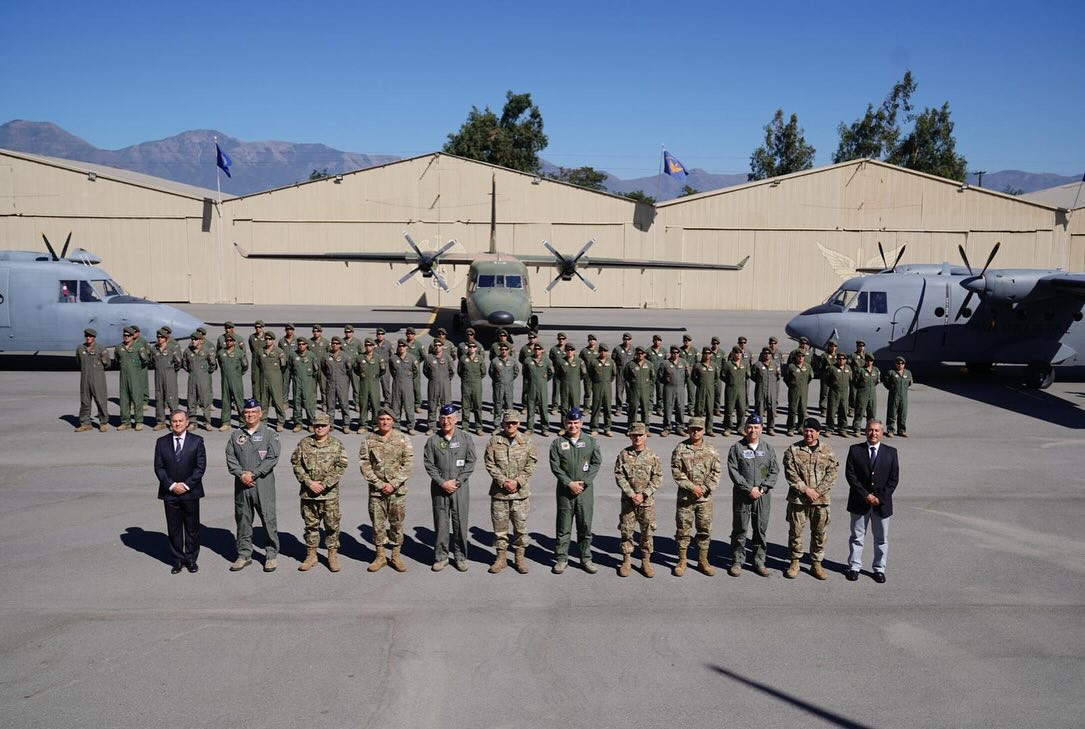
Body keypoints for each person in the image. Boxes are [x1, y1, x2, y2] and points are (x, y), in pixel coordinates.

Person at [225, 399, 281, 572]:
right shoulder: (236, 435)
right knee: (243, 519)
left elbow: (273, 457)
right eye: (247, 413)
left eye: (253, 412)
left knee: (267, 518)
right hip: (242, 484)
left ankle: (271, 555)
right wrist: (241, 474)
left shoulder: (269, 434)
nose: (249, 415)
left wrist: (254, 473)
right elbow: (230, 457)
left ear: (260, 414)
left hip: (262, 484)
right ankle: (244, 554)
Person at [291, 412, 349, 572]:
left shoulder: (336, 445)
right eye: (317, 425)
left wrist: (324, 483)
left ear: (329, 427)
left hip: (329, 494)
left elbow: (341, 466)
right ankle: (311, 555)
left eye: (323, 425)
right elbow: (296, 464)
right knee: (311, 526)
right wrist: (308, 482)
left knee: (331, 526)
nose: (320, 428)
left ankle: (332, 555)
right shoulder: (304, 443)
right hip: (308, 494)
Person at [781, 417, 838, 579]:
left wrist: (817, 492)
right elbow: (790, 474)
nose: (808, 434)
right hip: (798, 500)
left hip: (820, 501)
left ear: (818, 433)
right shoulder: (793, 450)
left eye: (812, 431)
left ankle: (816, 564)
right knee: (796, 532)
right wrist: (806, 490)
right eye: (806, 430)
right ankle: (794, 561)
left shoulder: (827, 451)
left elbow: (832, 474)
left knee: (819, 533)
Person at [359, 407, 414, 572]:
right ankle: (380, 556)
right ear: (378, 421)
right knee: (377, 524)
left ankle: (396, 555)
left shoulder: (402, 439)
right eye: (382, 419)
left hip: (397, 491)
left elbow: (408, 463)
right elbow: (364, 463)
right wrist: (379, 484)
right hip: (377, 491)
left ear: (393, 421)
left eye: (388, 419)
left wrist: (393, 483)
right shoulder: (369, 439)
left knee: (396, 523)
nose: (385, 422)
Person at [423, 404, 477, 571]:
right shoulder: (433, 440)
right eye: (443, 418)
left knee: (460, 521)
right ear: (439, 419)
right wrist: (442, 482)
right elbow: (429, 464)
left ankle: (460, 556)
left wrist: (458, 481)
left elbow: (471, 461)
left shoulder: (465, 438)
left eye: (450, 418)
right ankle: (441, 557)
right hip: (440, 488)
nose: (446, 422)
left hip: (459, 488)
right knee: (441, 523)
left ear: (456, 419)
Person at [844, 419, 899, 582]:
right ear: (865, 431)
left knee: (881, 539)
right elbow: (851, 476)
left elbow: (893, 479)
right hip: (859, 502)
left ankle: (879, 568)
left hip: (881, 505)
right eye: (870, 430)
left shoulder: (891, 452)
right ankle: (854, 567)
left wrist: (879, 498)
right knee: (857, 537)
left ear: (882, 433)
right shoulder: (855, 450)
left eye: (876, 430)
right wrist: (865, 495)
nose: (873, 433)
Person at [484, 410, 538, 574]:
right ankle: (501, 559)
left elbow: (531, 465)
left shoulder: (527, 442)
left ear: (518, 424)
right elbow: (489, 464)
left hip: (520, 494)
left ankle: (519, 558)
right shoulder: (494, 441)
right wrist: (503, 481)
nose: (511, 426)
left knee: (520, 529)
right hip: (500, 494)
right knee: (500, 530)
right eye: (508, 423)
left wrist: (517, 481)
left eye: (514, 423)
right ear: (503, 424)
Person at [548, 408, 602, 574]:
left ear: (581, 423)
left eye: (576, 423)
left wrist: (584, 483)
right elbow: (555, 466)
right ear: (565, 423)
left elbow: (596, 463)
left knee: (585, 526)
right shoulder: (558, 443)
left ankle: (586, 558)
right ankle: (561, 558)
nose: (573, 426)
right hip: (565, 491)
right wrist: (568, 483)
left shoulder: (591, 441)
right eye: (570, 423)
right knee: (563, 527)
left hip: (585, 491)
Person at [726, 414, 779, 576]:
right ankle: (737, 561)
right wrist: (749, 489)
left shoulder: (768, 448)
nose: (752, 430)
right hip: (743, 495)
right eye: (750, 427)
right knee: (740, 529)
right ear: (745, 429)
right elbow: (733, 471)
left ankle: (759, 561)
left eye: (756, 427)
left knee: (760, 529)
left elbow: (774, 471)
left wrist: (762, 489)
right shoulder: (737, 448)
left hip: (762, 496)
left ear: (761, 429)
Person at [154, 410, 206, 573]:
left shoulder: (197, 441)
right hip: (170, 493)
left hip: (190, 492)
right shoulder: (161, 442)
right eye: (174, 421)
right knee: (174, 528)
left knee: (192, 528)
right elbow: (159, 467)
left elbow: (200, 467)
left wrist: (186, 485)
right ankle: (177, 559)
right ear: (170, 423)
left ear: (187, 422)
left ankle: (191, 559)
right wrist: (171, 485)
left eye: (180, 421)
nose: (177, 424)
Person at [670, 417, 721, 576]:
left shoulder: (711, 450)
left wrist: (704, 488)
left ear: (704, 430)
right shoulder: (680, 448)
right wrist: (692, 487)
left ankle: (703, 560)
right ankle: (682, 560)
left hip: (704, 499)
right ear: (688, 430)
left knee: (704, 530)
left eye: (698, 429)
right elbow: (676, 471)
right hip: (686, 498)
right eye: (693, 429)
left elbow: (716, 472)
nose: (695, 432)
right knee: (683, 530)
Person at [614, 422, 663, 577]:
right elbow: (619, 475)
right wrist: (631, 494)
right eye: (634, 435)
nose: (637, 438)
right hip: (629, 502)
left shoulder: (652, 456)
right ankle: (626, 561)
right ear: (630, 436)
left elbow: (657, 478)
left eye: (640, 435)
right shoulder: (623, 455)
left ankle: (645, 561)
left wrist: (644, 494)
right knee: (626, 531)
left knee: (647, 532)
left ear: (645, 436)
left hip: (646, 502)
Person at [75, 328, 110, 432]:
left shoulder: (101, 348)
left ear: (94, 337)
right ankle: (85, 423)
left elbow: (108, 364)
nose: (88, 338)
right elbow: (78, 362)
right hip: (85, 378)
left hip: (98, 378)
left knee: (100, 400)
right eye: (86, 336)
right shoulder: (80, 348)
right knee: (85, 401)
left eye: (90, 336)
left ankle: (103, 422)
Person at [115, 326, 149, 431]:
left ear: (132, 336)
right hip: (123, 377)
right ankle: (126, 422)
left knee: (137, 399)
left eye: (128, 335)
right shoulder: (119, 347)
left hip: (135, 377)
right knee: (124, 400)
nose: (126, 337)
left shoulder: (139, 347)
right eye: (124, 335)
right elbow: (117, 360)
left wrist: (136, 368)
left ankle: (139, 421)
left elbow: (145, 360)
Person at [182, 331, 217, 431]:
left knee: (205, 401)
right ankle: (192, 422)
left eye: (196, 339)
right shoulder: (188, 351)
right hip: (192, 379)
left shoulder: (206, 351)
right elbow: (185, 365)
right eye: (192, 339)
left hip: (203, 379)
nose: (193, 341)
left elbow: (212, 364)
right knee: (191, 401)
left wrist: (205, 372)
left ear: (201, 341)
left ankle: (207, 422)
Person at [150, 328, 182, 430]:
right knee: (159, 398)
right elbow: (152, 361)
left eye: (162, 337)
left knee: (171, 399)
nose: (160, 339)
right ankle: (160, 421)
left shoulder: (172, 348)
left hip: (169, 375)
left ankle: (175, 422)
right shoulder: (154, 349)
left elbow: (178, 363)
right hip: (158, 376)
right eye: (158, 337)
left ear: (166, 338)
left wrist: (171, 371)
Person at [258, 332, 289, 431]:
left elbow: (284, 366)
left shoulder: (279, 352)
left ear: (273, 340)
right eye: (266, 339)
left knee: (277, 401)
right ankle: (263, 421)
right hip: (264, 379)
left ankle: (280, 422)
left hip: (275, 379)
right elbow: (259, 364)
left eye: (270, 339)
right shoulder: (261, 351)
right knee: (264, 401)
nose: (268, 341)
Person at [216, 333, 248, 431]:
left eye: (231, 341)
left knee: (239, 401)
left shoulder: (240, 353)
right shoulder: (221, 353)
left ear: (234, 342)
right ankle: (226, 422)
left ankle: (243, 423)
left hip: (236, 381)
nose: (229, 342)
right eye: (227, 341)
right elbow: (220, 365)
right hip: (225, 380)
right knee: (226, 401)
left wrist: (238, 374)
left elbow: (245, 366)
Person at [322, 336, 353, 432]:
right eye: (333, 343)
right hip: (330, 383)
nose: (334, 345)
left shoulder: (345, 356)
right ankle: (330, 424)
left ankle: (346, 424)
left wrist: (343, 379)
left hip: (342, 384)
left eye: (336, 343)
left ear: (340, 345)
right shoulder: (326, 356)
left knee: (344, 404)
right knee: (330, 405)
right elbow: (323, 369)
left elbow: (349, 369)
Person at [424, 339, 455, 432]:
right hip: (433, 384)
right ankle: (431, 426)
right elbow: (425, 371)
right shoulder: (429, 357)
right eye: (436, 345)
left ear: (442, 346)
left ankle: (446, 427)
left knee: (446, 406)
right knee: (432, 405)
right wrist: (433, 378)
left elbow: (452, 371)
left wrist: (446, 379)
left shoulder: (447, 357)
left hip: (445, 384)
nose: (437, 347)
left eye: (439, 345)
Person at [289, 337, 319, 432]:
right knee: (297, 402)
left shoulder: (311, 356)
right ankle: (298, 423)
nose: (301, 346)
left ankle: (311, 423)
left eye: (303, 344)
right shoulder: (293, 355)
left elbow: (316, 370)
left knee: (308, 403)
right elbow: (290, 368)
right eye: (299, 344)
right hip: (297, 382)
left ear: (306, 345)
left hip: (308, 382)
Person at [521, 343, 552, 436]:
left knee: (543, 408)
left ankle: (545, 428)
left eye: (539, 349)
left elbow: (551, 372)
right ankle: (530, 428)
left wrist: (544, 380)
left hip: (542, 387)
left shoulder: (547, 360)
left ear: (542, 350)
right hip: (531, 387)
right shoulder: (528, 360)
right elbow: (525, 373)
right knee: (530, 408)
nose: (537, 350)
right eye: (536, 349)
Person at [354, 338, 384, 433]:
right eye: (366, 345)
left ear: (373, 346)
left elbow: (383, 370)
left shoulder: (378, 357)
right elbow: (355, 369)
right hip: (364, 384)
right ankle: (363, 425)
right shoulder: (360, 357)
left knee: (375, 405)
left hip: (374, 383)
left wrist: (376, 377)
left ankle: (375, 424)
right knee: (363, 404)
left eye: (370, 345)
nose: (368, 347)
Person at [389, 339, 418, 434]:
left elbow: (415, 372)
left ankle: (410, 427)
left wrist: (408, 378)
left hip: (408, 384)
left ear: (406, 347)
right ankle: (396, 426)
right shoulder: (393, 358)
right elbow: (391, 370)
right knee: (396, 406)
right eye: (400, 346)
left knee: (409, 406)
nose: (401, 348)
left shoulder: (412, 358)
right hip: (397, 384)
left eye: (403, 346)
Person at [457, 341, 487, 435]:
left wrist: (476, 379)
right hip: (466, 384)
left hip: (477, 384)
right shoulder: (463, 358)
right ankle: (465, 426)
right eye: (470, 347)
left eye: (473, 347)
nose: (471, 349)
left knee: (477, 406)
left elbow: (483, 372)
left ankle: (478, 427)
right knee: (465, 406)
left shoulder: (480, 358)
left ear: (476, 349)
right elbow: (459, 371)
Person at [587, 344, 616, 436]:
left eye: (605, 351)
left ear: (607, 352)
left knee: (607, 408)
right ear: (599, 351)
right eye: (601, 351)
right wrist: (596, 382)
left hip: (607, 386)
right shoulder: (594, 362)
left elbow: (613, 374)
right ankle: (594, 428)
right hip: (597, 386)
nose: (603, 353)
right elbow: (590, 374)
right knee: (596, 407)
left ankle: (607, 428)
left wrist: (607, 382)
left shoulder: (611, 362)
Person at [659, 345, 688, 436]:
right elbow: (659, 376)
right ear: (670, 353)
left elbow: (687, 375)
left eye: (676, 353)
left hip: (680, 388)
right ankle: (667, 428)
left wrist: (682, 384)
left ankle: (679, 427)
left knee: (680, 408)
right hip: (669, 388)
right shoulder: (665, 363)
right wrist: (666, 381)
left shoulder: (683, 362)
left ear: (679, 353)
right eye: (673, 353)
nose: (675, 354)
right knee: (668, 408)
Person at [624, 346, 654, 433]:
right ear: (636, 354)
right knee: (633, 409)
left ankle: (646, 428)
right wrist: (629, 390)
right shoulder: (630, 364)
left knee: (645, 409)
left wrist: (650, 391)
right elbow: (626, 378)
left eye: (642, 353)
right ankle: (631, 428)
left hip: (645, 390)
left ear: (644, 354)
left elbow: (652, 378)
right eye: (638, 353)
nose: (640, 355)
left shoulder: (649, 364)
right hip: (634, 390)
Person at [489, 343, 519, 427]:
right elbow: (491, 373)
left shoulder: (512, 361)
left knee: (509, 406)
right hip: (498, 386)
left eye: (506, 350)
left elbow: (516, 372)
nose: (504, 351)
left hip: (508, 386)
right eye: (502, 349)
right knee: (498, 405)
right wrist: (498, 380)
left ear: (508, 350)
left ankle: (509, 424)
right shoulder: (495, 361)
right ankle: (497, 425)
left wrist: (509, 380)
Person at [882, 356, 914, 437]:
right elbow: (885, 382)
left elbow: (909, 383)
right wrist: (891, 388)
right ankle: (890, 430)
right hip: (894, 396)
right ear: (895, 364)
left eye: (902, 363)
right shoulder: (891, 373)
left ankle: (901, 430)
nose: (900, 365)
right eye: (898, 363)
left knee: (903, 414)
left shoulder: (908, 373)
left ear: (904, 364)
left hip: (904, 397)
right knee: (892, 413)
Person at [751, 348, 779, 434]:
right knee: (759, 409)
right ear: (762, 354)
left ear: (771, 355)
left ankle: (770, 428)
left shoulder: (775, 365)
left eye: (769, 353)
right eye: (765, 353)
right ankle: (759, 427)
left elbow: (778, 376)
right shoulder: (757, 365)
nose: (767, 355)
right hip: (760, 389)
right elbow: (753, 376)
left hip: (771, 390)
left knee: (771, 409)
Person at [850, 354, 880, 436]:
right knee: (860, 411)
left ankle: (870, 429)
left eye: (871, 361)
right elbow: (855, 382)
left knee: (872, 413)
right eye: (868, 360)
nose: (869, 362)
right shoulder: (860, 371)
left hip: (872, 394)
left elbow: (877, 381)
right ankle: (857, 429)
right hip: (862, 393)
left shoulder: (876, 370)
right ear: (865, 361)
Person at [785, 349, 812, 436]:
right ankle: (791, 428)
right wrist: (792, 385)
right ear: (796, 357)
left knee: (802, 410)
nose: (801, 358)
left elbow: (810, 377)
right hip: (793, 391)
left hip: (804, 391)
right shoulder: (791, 367)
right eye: (799, 356)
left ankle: (801, 427)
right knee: (792, 410)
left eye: (802, 356)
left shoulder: (807, 367)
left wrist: (804, 385)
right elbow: (786, 378)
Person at [825, 352, 852, 437]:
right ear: (837, 359)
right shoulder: (832, 368)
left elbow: (851, 379)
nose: (841, 360)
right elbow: (826, 379)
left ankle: (842, 429)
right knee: (831, 411)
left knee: (843, 411)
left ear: (846, 360)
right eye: (839, 359)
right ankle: (829, 429)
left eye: (843, 359)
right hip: (834, 392)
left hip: (844, 393)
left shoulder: (848, 368)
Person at [692, 348, 718, 437]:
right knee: (699, 410)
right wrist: (700, 384)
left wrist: (711, 385)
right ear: (702, 354)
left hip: (710, 390)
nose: (707, 355)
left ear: (711, 355)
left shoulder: (714, 365)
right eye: (705, 353)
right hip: (700, 390)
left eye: (709, 353)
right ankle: (697, 428)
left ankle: (709, 429)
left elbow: (716, 378)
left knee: (710, 410)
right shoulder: (697, 366)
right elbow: (693, 378)